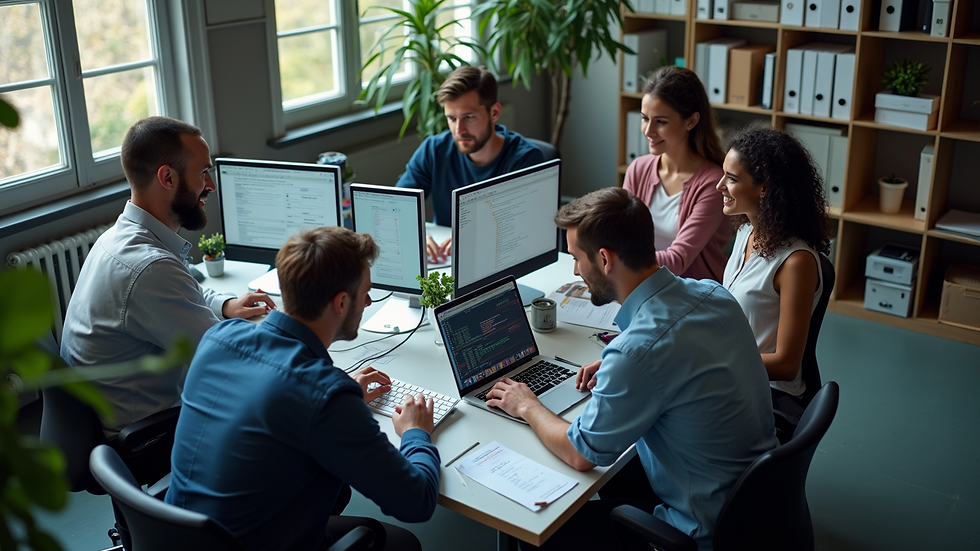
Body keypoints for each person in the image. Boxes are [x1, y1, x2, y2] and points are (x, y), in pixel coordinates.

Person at [486, 187, 777, 550]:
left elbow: (580, 454)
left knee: (534, 530)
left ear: (604, 259)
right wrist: (623, 364)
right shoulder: (714, 294)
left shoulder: (636, 353)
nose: (575, 270)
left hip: (699, 531)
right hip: (755, 506)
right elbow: (675, 354)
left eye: (576, 258)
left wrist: (527, 405)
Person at [166, 226, 440, 551]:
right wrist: (415, 432)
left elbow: (276, 395)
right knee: (403, 544)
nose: (368, 301)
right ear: (341, 302)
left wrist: (335, 397)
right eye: (365, 292)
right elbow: (417, 502)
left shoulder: (219, 337)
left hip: (174, 536)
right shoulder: (326, 396)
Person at [60, 116, 275, 435]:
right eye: (203, 173)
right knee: (279, 417)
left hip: (117, 418)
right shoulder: (150, 267)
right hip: (148, 439)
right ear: (168, 177)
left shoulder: (120, 238)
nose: (211, 185)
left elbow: (177, 291)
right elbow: (230, 358)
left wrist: (224, 305)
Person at [718, 127, 830, 424]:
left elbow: (786, 365)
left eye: (731, 178)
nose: (719, 186)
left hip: (771, 395)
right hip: (733, 371)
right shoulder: (746, 232)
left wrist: (714, 364)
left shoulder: (796, 263)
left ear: (764, 188)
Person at [396, 65, 544, 262]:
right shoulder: (434, 149)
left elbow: (521, 231)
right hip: (445, 260)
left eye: (468, 117)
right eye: (451, 118)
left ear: (494, 112)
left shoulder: (525, 160)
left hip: (497, 262)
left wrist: (472, 239)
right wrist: (417, 234)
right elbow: (398, 206)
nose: (459, 130)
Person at [623, 66, 730, 281]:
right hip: (643, 283)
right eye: (645, 118)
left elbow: (678, 260)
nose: (648, 131)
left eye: (661, 121)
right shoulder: (638, 169)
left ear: (691, 121)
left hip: (693, 291)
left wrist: (621, 259)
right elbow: (620, 234)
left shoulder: (713, 184)